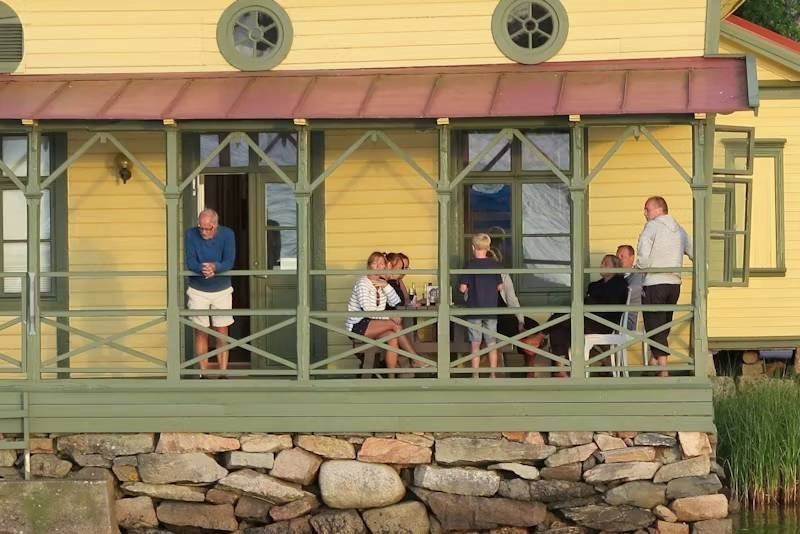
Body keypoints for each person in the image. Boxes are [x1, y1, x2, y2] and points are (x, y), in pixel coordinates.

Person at [636, 196, 693, 377]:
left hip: (655, 283)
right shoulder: (680, 230)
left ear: (659, 209)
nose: (645, 213)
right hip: (674, 284)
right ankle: (653, 362)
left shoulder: (652, 226)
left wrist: (640, 266)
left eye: (647, 209)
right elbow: (694, 251)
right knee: (664, 324)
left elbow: (643, 254)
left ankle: (663, 369)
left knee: (654, 325)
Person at [547, 254, 629, 375]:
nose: (601, 265)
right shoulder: (596, 285)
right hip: (588, 319)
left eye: (606, 264)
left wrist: (591, 301)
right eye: (602, 263)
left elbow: (606, 306)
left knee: (566, 319)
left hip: (604, 323)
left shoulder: (619, 284)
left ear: (615, 267)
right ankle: (560, 370)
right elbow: (590, 299)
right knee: (561, 326)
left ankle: (541, 334)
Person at [345, 251, 420, 371]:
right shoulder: (363, 283)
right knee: (395, 325)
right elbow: (369, 311)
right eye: (375, 263)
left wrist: (386, 286)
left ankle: (391, 376)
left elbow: (396, 302)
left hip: (373, 323)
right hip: (358, 325)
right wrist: (389, 317)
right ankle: (415, 359)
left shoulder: (381, 283)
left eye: (381, 263)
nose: (378, 266)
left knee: (393, 337)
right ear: (369, 265)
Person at [184, 208, 236, 376]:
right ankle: (203, 373)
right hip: (197, 289)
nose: (204, 232)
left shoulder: (227, 234)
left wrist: (215, 267)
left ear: (216, 225)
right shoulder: (191, 234)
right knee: (201, 331)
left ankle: (223, 372)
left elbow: (229, 261)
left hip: (222, 289)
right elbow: (190, 261)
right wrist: (204, 268)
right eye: (201, 228)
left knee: (222, 331)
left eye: (208, 228)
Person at [489, 247, 544, 376]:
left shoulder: (503, 275)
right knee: (516, 330)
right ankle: (527, 345)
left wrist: (520, 320)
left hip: (506, 314)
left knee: (532, 326)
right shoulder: (475, 276)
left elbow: (512, 299)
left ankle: (530, 367)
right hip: (490, 318)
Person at [458, 234, 503, 378]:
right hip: (491, 309)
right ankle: (493, 375)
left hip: (474, 309)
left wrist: (468, 288)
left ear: (473, 247)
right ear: (488, 248)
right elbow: (500, 286)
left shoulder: (469, 264)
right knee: (492, 343)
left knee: (475, 344)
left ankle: (475, 375)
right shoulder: (494, 264)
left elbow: (462, 288)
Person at [616, 244, 643, 333]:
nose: (618, 259)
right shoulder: (615, 277)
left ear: (632, 258)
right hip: (614, 320)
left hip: (627, 323)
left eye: (622, 256)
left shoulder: (638, 276)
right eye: (617, 257)